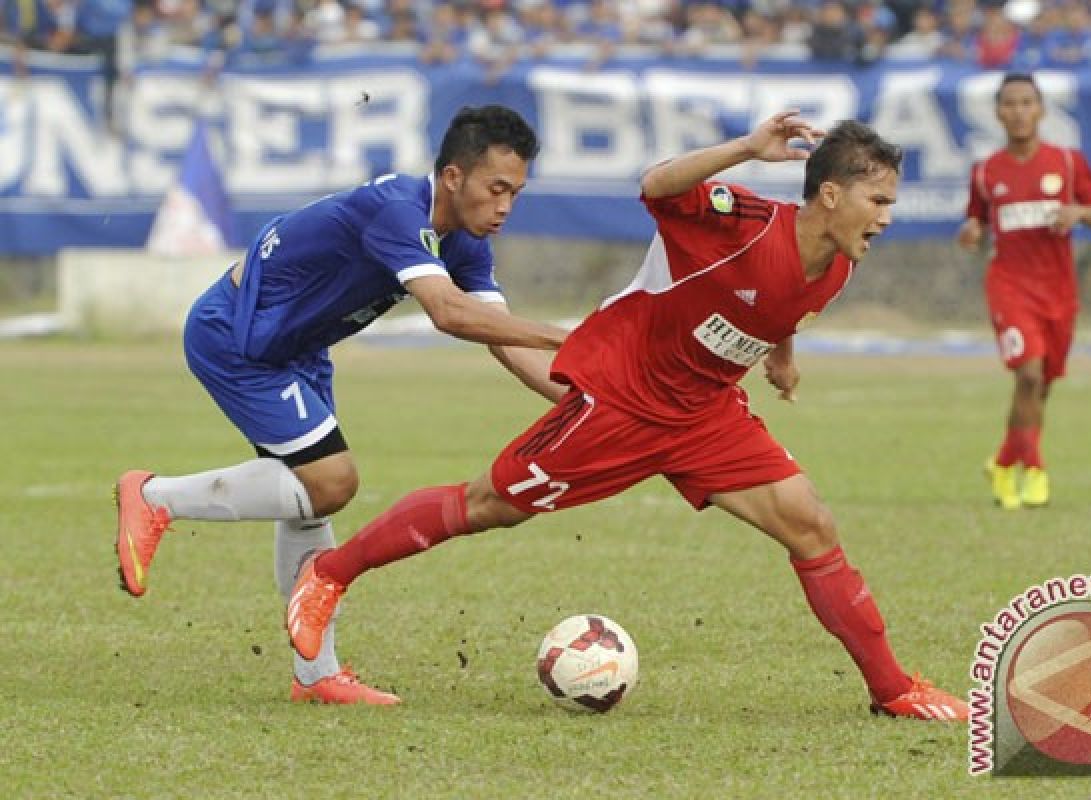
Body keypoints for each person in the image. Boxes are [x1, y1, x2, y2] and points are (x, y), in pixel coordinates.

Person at [286, 114, 970, 721]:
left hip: (706, 414)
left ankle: (892, 689)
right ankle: (330, 573)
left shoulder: (840, 263)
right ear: (830, 195)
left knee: (812, 525)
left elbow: (780, 304)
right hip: (623, 397)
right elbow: (657, 186)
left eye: (890, 202)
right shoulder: (740, 222)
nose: (886, 216)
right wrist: (746, 147)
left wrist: (780, 360)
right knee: (492, 503)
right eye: (877, 200)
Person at [115, 105, 570, 705]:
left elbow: (504, 341)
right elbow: (451, 314)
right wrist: (574, 337)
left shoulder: (464, 242)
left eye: (516, 192)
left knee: (307, 502)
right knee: (330, 483)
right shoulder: (397, 212)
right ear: (454, 177)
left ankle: (316, 677)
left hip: (297, 348)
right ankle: (154, 497)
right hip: (239, 338)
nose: (507, 206)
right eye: (498, 188)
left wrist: (593, 396)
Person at [957, 73, 1091, 510]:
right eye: (1010, 103)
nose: (1019, 111)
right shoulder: (986, 172)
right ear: (998, 112)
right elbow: (977, 221)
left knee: (1040, 386)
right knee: (1027, 375)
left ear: (1041, 110)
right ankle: (1035, 469)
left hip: (1059, 291)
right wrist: (970, 232)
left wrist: (1078, 212)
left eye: (1027, 102)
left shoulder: (1066, 163)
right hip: (1009, 286)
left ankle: (1005, 461)